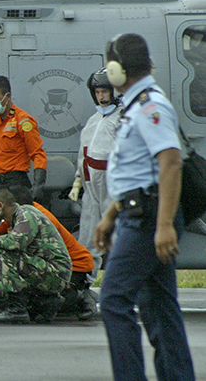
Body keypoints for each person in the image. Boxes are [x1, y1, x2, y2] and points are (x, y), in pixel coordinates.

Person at [94, 33, 195, 381]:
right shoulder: (137, 105)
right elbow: (135, 172)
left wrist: (164, 225)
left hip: (147, 218)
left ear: (115, 70)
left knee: (113, 300)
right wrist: (109, 216)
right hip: (139, 213)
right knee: (159, 308)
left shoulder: (150, 107)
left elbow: (170, 163)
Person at [0, 185, 95, 320]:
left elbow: (15, 244)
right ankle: (41, 300)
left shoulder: (30, 216)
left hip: (70, 267)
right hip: (37, 265)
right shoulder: (11, 216)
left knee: (6, 255)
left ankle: (78, 296)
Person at [0, 185, 71, 324]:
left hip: (56, 272)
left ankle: (17, 310)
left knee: (4, 253)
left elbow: (15, 243)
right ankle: (46, 302)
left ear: (0, 206)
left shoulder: (26, 214)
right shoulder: (15, 219)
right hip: (38, 270)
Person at [68, 68, 121, 280]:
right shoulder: (94, 120)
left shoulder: (121, 119)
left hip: (112, 187)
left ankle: (126, 287)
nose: (101, 97)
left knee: (119, 239)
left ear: (114, 92)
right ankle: (84, 288)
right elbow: (84, 153)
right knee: (88, 240)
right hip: (91, 188)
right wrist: (77, 183)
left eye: (105, 92)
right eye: (98, 92)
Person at [0, 75, 47, 208]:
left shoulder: (23, 121)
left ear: (7, 96)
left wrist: (37, 186)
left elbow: (38, 154)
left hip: (16, 185)